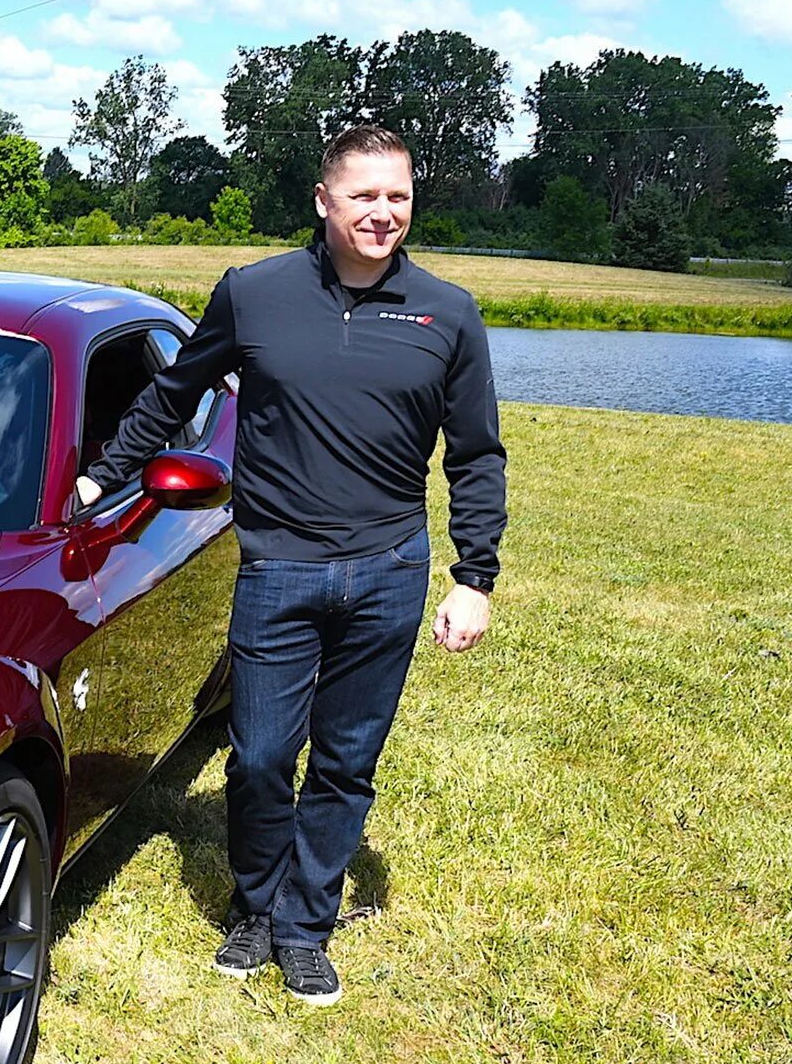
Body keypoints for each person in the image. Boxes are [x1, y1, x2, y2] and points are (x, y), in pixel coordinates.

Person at [76, 123, 507, 1007]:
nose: (383, 213)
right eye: (364, 195)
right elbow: (174, 390)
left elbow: (475, 454)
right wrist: (99, 478)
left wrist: (476, 575)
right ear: (324, 200)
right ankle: (255, 908)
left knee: (346, 763)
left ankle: (305, 930)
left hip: (388, 572)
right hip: (277, 565)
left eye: (398, 196)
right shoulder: (255, 294)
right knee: (261, 756)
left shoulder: (448, 313)